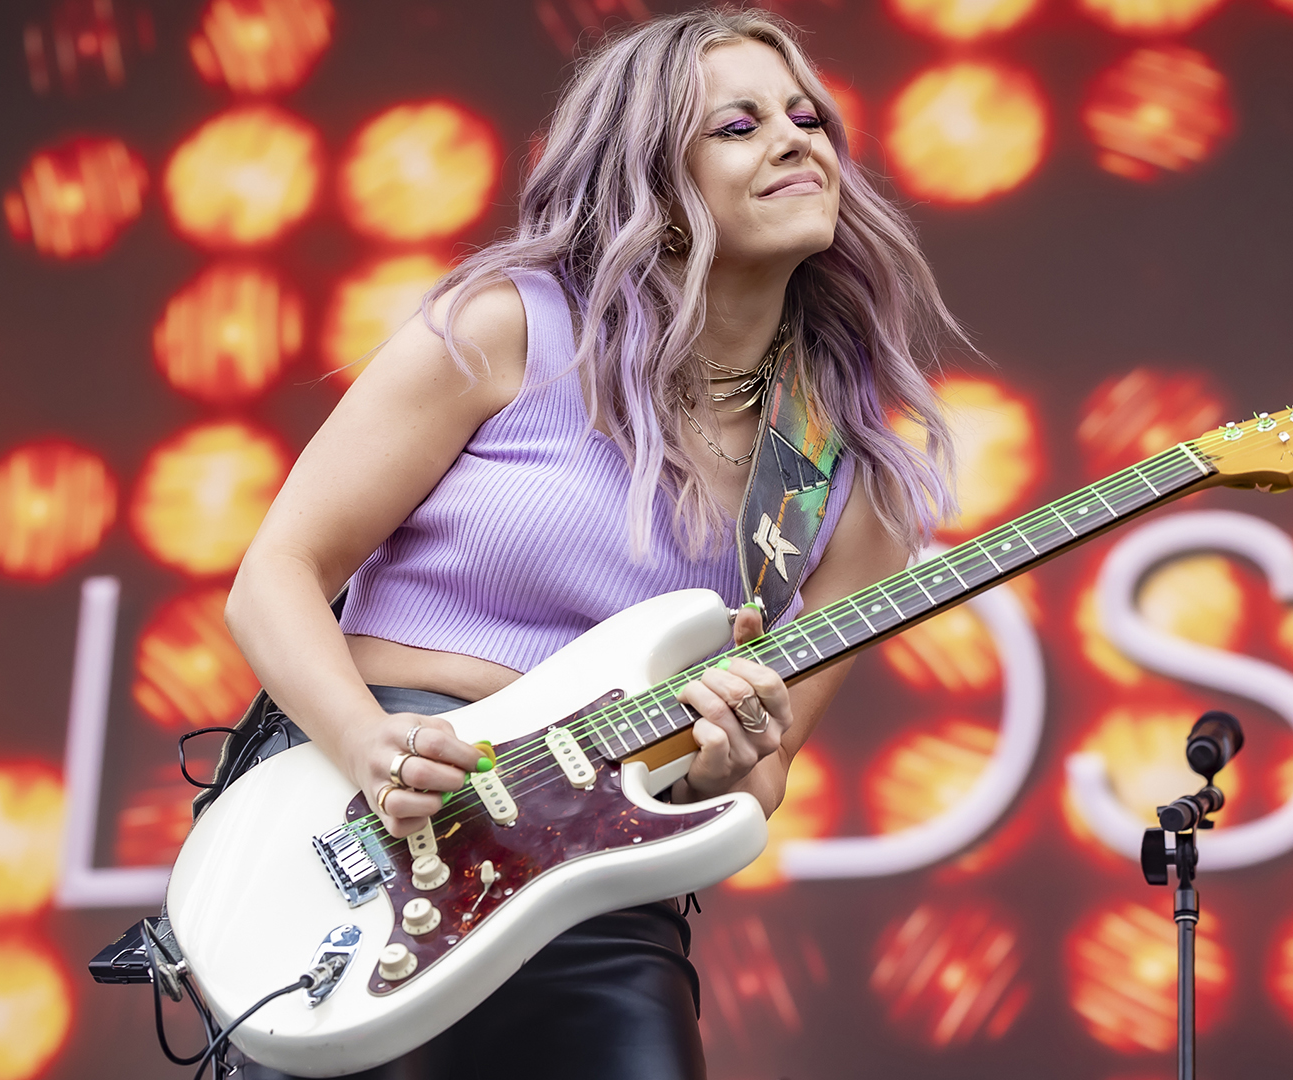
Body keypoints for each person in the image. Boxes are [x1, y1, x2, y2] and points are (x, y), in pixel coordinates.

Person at [224, 9, 967, 1078]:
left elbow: (759, 781)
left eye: (808, 118)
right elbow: (274, 577)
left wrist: (729, 756)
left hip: (595, 895)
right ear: (655, 188)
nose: (798, 140)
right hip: (382, 826)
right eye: (739, 126)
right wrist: (364, 746)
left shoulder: (854, 487)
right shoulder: (505, 328)